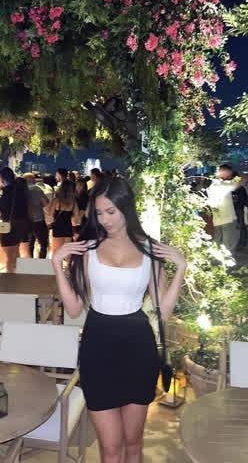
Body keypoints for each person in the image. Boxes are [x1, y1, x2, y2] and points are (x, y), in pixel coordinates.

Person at [52, 178, 186, 463]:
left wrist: (181, 268)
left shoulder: (149, 250)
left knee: (133, 444)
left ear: (126, 208)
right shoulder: (88, 249)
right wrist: (57, 265)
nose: (104, 220)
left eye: (111, 211)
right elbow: (73, 309)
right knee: (111, 448)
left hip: (139, 347)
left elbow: (163, 311)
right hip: (98, 346)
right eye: (99, 213)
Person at [0, 168, 29, 272]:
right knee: (16, 251)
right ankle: (17, 275)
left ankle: (10, 277)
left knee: (9, 254)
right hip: (21, 223)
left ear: (3, 178)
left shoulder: (7, 190)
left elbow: (3, 208)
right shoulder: (21, 189)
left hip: (8, 224)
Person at [206, 164, 245, 254]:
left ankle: (219, 260)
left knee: (218, 243)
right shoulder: (222, 184)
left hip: (217, 220)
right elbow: (242, 181)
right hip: (227, 219)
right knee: (229, 244)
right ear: (224, 172)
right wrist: (238, 177)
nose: (230, 176)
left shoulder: (212, 185)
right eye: (229, 173)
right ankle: (227, 260)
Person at [48, 180, 78, 257]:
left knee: (56, 251)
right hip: (68, 227)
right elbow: (76, 216)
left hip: (58, 227)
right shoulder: (73, 201)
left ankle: (57, 265)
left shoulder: (56, 200)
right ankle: (69, 264)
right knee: (67, 252)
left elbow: (50, 213)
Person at [23, 173, 49, 259]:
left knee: (29, 244)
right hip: (38, 220)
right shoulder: (37, 189)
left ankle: (29, 263)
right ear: (31, 179)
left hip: (26, 221)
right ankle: (40, 264)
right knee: (43, 244)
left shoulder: (22, 190)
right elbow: (45, 203)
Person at [232, 173, 248, 250]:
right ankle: (241, 242)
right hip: (238, 208)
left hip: (238, 209)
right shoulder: (239, 188)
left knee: (241, 226)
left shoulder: (240, 188)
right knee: (240, 226)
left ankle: (242, 243)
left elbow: (242, 200)